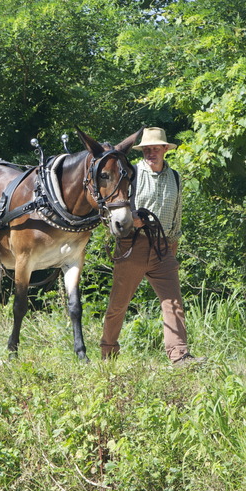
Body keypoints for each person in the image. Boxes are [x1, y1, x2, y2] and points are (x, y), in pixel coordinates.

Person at [100, 127, 204, 366]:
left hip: (163, 247)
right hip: (133, 245)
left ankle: (179, 356)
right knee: (118, 304)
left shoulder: (175, 177)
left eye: (155, 148)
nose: (151, 153)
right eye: (147, 149)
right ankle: (108, 353)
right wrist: (131, 221)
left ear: (165, 150)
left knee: (174, 303)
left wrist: (172, 250)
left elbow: (177, 215)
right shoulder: (132, 173)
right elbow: (111, 209)